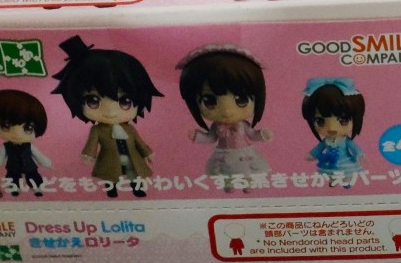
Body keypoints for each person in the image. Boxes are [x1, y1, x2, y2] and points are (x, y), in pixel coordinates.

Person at [52, 36, 164, 198]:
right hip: (109, 159)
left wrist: (147, 153)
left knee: (134, 174)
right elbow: (92, 144)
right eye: (93, 101)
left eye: (125, 101)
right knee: (110, 175)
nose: (110, 112)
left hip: (132, 158)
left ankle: (137, 188)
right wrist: (89, 154)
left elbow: (139, 142)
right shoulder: (98, 130)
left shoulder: (129, 129)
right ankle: (111, 190)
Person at [177, 46, 272, 188]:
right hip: (224, 154)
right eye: (209, 101)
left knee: (246, 170)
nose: (227, 111)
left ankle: (247, 184)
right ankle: (228, 184)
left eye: (241, 99)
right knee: (225, 172)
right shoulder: (216, 126)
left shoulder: (243, 125)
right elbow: (211, 138)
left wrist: (263, 135)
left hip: (243, 153)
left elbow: (252, 135)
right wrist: (197, 136)